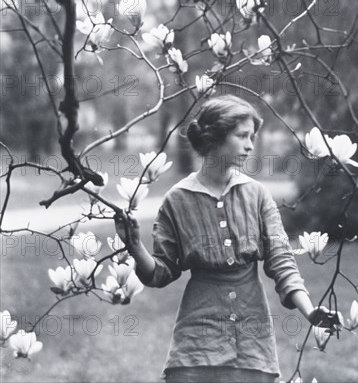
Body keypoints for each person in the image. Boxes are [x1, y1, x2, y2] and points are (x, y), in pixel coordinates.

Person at [114, 94, 342, 383]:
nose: (250, 145)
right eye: (242, 136)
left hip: (252, 336)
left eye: (252, 136)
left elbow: (282, 262)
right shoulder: (178, 200)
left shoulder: (257, 195)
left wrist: (310, 313)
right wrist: (134, 246)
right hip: (197, 338)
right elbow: (159, 273)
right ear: (215, 138)